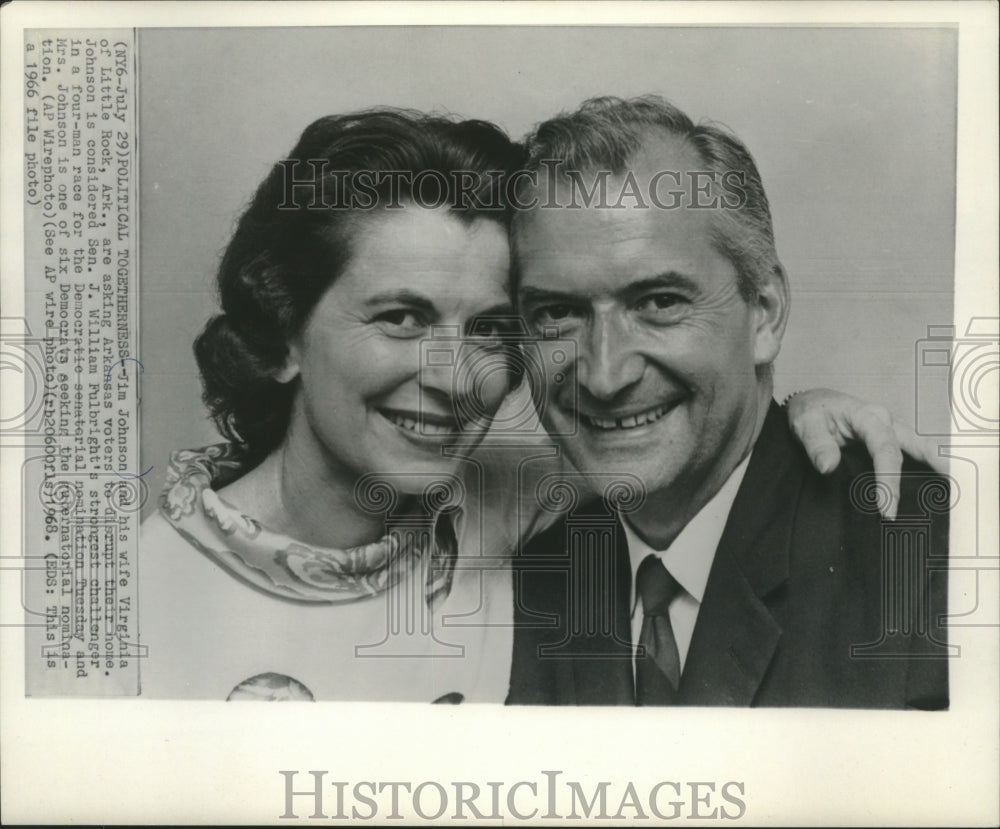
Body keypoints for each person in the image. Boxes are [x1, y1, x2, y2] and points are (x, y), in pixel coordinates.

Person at [139, 106, 935, 702]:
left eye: (491, 327)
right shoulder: (136, 598)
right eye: (401, 317)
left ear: (765, 313)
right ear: (283, 335)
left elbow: (711, 442)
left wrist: (798, 411)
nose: (604, 370)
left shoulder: (506, 508)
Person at [506, 97, 949, 708]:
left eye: (659, 302)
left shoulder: (926, 563)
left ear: (764, 314)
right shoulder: (523, 583)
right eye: (557, 313)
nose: (604, 376)